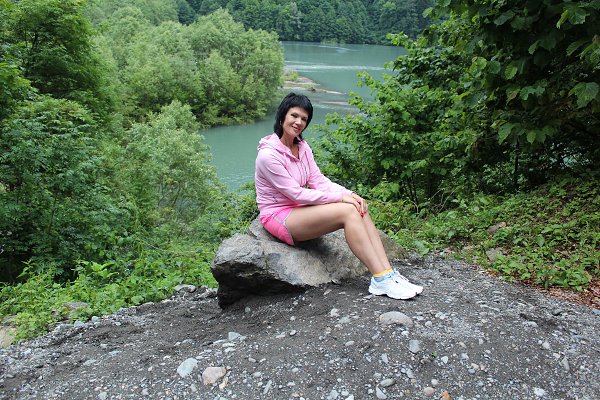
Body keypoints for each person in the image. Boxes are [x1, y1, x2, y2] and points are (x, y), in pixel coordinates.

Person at [255, 93, 423, 300]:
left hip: (297, 209)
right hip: (278, 215)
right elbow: (295, 193)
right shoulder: (268, 155)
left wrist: (349, 194)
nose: (299, 122)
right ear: (282, 116)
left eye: (304, 119)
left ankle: (388, 272)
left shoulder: (302, 147)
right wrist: (340, 199)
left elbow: (318, 180)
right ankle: (380, 278)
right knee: (347, 212)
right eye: (294, 116)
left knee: (358, 206)